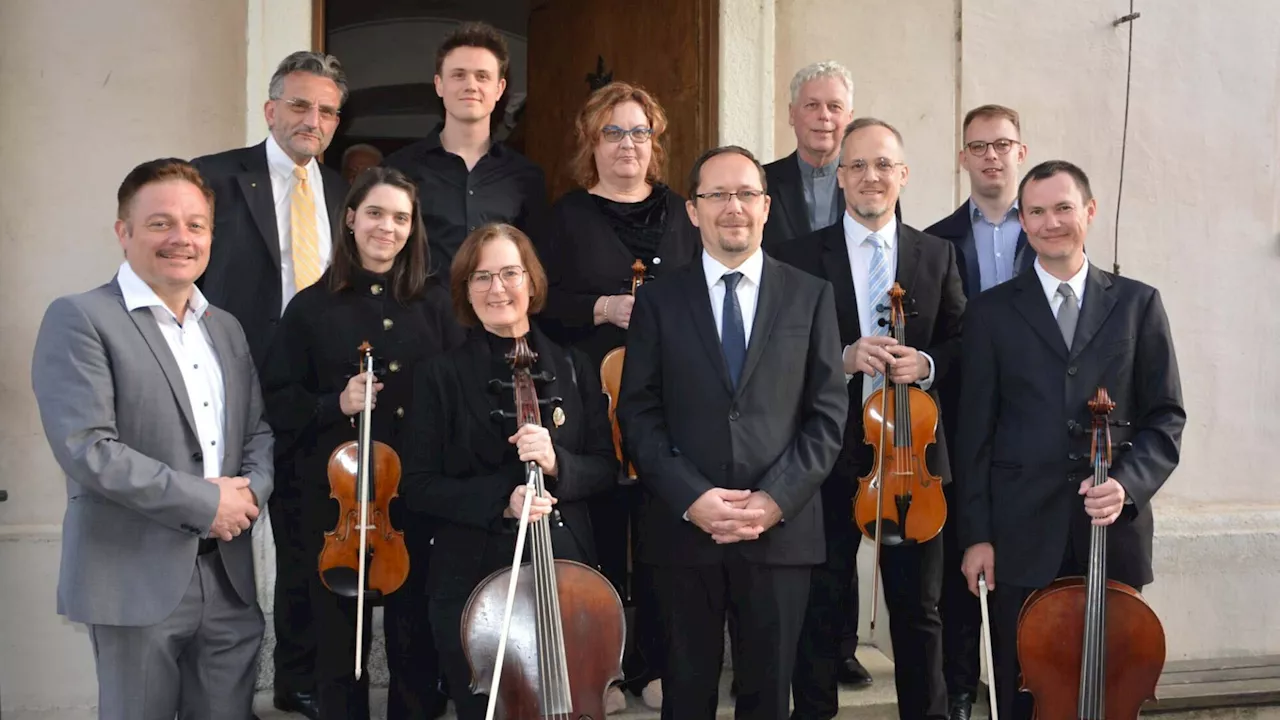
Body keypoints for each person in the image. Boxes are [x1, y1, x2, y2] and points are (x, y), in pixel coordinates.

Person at [30, 158, 273, 719]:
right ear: (124, 232)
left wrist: (249, 496)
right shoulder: (81, 318)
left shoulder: (225, 327)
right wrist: (208, 502)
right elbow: (88, 449)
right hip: (134, 578)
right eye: (161, 222)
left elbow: (257, 431)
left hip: (230, 579)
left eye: (196, 224)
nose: (181, 238)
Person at [617, 145, 848, 720]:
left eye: (745, 193)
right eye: (716, 194)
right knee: (687, 696)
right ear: (693, 211)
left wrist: (776, 500)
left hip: (781, 534)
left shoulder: (812, 295)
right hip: (682, 531)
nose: (733, 207)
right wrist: (691, 498)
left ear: (767, 206)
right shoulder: (659, 300)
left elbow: (826, 416)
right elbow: (638, 414)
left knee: (768, 697)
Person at [956, 160, 1185, 720]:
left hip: (1111, 535)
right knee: (1021, 692)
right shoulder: (989, 314)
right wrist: (977, 535)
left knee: (1109, 688)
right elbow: (973, 436)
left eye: (1063, 208)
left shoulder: (1138, 303)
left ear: (1089, 212)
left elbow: (1166, 417)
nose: (1050, 222)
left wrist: (1127, 485)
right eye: (1036, 211)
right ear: (1023, 222)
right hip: (1018, 534)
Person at [773, 118, 964, 720]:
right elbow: (777, 352)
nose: (870, 177)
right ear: (839, 178)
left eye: (883, 164)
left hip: (913, 459)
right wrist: (841, 356)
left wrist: (927, 363)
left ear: (903, 175)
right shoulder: (799, 257)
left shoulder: (937, 254)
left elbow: (963, 345)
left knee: (919, 609)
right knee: (820, 600)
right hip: (828, 451)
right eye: (856, 166)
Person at [262, 167, 463, 719]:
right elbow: (277, 401)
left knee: (414, 632)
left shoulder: (437, 305)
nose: (388, 227)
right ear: (350, 219)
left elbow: (458, 395)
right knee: (337, 635)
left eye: (401, 217)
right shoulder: (310, 307)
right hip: (335, 501)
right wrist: (335, 404)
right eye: (375, 213)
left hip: (415, 495)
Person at [399, 223, 619, 720]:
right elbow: (417, 487)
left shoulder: (574, 366)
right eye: (481, 277)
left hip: (569, 578)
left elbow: (607, 470)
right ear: (465, 292)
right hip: (475, 579)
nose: (497, 288)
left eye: (509, 273)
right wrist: (503, 498)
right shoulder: (440, 375)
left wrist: (559, 463)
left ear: (533, 283)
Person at [192, 50, 350, 718]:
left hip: (314, 393)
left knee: (305, 532)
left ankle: (298, 678)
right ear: (270, 110)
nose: (312, 120)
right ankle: (203, 680)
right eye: (299, 105)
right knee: (216, 530)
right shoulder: (215, 177)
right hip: (231, 381)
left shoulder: (345, 192)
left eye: (326, 111)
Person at [540, 80, 702, 709]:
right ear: (592, 142)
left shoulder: (685, 213)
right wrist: (601, 307)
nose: (627, 144)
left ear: (654, 142)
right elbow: (537, 298)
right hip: (590, 403)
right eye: (613, 132)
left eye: (639, 132)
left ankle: (655, 663)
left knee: (664, 535)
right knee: (600, 531)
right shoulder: (565, 217)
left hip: (673, 399)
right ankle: (602, 668)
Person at [921, 103, 1032, 720]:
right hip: (960, 414)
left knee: (1020, 556)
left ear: (1021, 151)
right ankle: (961, 687)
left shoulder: (1042, 227)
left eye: (1003, 144)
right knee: (962, 553)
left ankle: (1022, 679)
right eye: (979, 146)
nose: (992, 156)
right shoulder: (936, 240)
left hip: (1031, 414)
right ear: (963, 156)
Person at [384, 21, 550, 278]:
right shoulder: (399, 171)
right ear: (439, 85)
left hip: (498, 315)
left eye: (482, 76)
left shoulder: (526, 176)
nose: (470, 85)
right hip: (422, 316)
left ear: (499, 89)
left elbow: (536, 268)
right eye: (458, 74)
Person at [763, 61, 898, 256]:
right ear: (792, 114)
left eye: (834, 107)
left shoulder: (874, 184)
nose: (824, 116)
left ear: (849, 118)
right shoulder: (762, 183)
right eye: (812, 105)